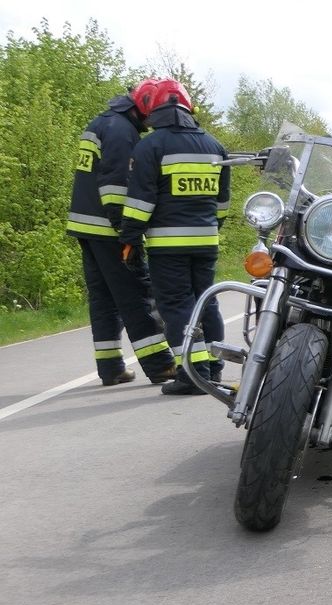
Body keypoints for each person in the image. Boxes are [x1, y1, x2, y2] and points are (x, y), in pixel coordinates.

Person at [119, 78, 230, 395]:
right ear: (187, 106)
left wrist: (129, 239)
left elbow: (140, 203)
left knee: (178, 305)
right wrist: (209, 227)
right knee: (206, 302)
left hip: (169, 246)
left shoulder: (150, 147)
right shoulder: (214, 146)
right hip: (207, 242)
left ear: (154, 111)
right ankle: (213, 367)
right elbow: (222, 204)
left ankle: (194, 376)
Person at [66, 91, 177, 386]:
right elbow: (115, 184)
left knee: (104, 299)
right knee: (136, 295)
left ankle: (111, 367)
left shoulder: (103, 122)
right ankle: (161, 365)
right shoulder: (121, 131)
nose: (152, 124)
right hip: (107, 227)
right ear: (142, 110)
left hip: (86, 225)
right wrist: (125, 230)